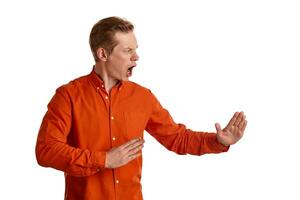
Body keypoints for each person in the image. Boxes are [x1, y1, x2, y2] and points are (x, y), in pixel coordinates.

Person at [35, 16, 247, 200]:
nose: (136, 57)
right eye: (128, 51)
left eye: (135, 50)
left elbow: (177, 138)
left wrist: (217, 141)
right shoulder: (68, 96)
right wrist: (104, 160)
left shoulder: (142, 97)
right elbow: (46, 150)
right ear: (103, 54)